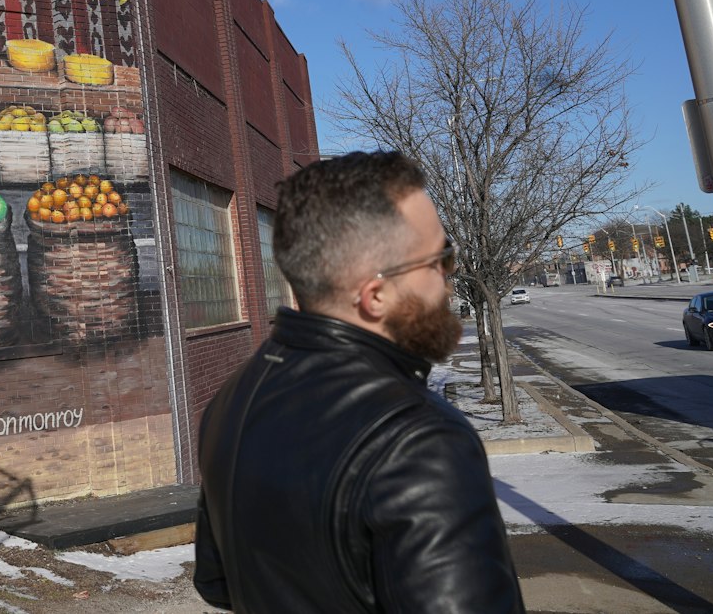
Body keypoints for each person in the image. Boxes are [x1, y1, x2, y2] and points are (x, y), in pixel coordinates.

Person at [193, 151, 525, 613]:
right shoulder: (419, 441)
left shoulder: (232, 399)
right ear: (375, 295)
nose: (449, 280)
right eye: (439, 260)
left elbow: (216, 582)